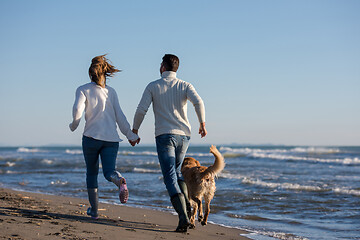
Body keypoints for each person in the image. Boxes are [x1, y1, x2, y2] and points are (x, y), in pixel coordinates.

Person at [132, 54, 207, 232]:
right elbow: (199, 102)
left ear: (163, 67)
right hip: (184, 136)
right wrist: (202, 123)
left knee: (169, 177)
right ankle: (187, 209)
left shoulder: (153, 86)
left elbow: (141, 109)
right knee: (177, 172)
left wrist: (134, 130)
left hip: (165, 136)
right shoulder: (185, 85)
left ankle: (183, 216)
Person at [69, 55, 140, 219]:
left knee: (92, 174)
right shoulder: (111, 92)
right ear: (105, 73)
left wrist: (74, 124)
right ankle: (119, 180)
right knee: (109, 172)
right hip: (111, 140)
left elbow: (77, 110)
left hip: (90, 138)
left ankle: (94, 211)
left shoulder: (83, 89)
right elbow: (120, 117)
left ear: (90, 73)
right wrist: (131, 135)